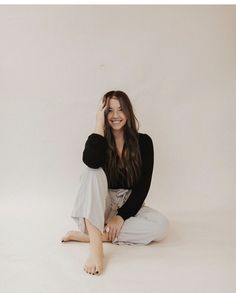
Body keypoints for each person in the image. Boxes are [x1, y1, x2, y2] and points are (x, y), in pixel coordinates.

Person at [61, 90, 169, 275]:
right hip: (100, 203)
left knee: (161, 227)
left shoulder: (144, 142)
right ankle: (96, 251)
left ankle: (94, 235)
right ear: (104, 114)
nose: (116, 115)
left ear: (128, 112)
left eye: (120, 109)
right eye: (110, 110)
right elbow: (91, 162)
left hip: (128, 201)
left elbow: (143, 186)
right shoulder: (99, 141)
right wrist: (98, 124)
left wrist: (121, 216)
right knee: (91, 171)